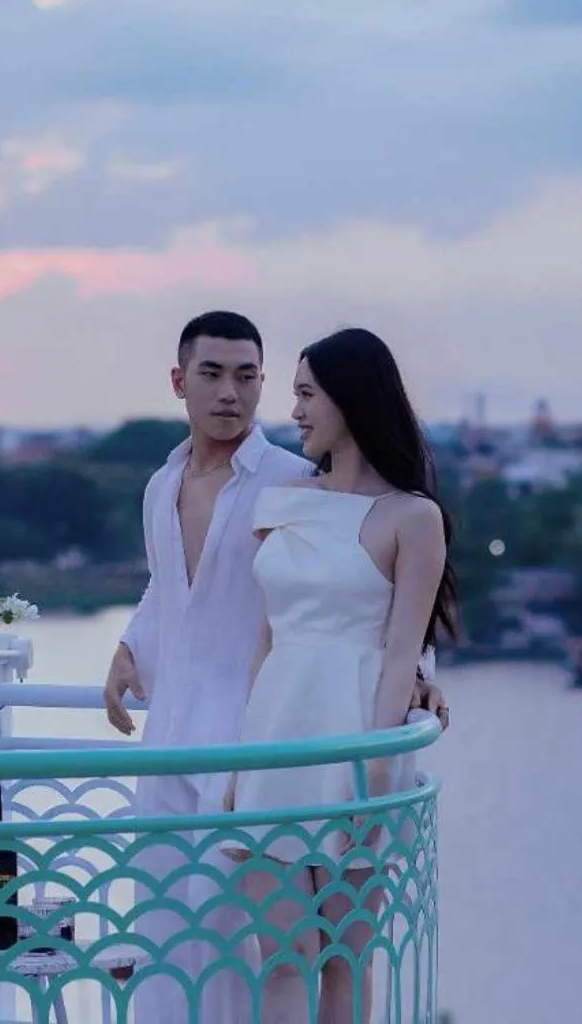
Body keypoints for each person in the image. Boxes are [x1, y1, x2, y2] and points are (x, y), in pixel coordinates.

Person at [102, 312, 446, 1023]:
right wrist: (130, 646)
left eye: (251, 377)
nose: (239, 393)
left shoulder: (298, 482)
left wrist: (415, 686)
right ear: (180, 381)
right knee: (183, 941)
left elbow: (393, 618)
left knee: (312, 955)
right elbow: (173, 591)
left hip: (313, 735)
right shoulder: (173, 487)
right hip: (219, 743)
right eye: (213, 374)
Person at [218, 328, 459, 1024]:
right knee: (283, 953)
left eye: (305, 393)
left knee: (346, 960)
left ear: (350, 399)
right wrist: (240, 760)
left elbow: (399, 652)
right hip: (275, 737)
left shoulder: (413, 518)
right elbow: (265, 641)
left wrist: (375, 779)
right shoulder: (284, 500)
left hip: (357, 743)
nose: (293, 410)